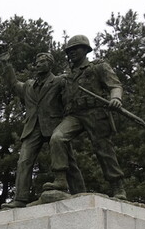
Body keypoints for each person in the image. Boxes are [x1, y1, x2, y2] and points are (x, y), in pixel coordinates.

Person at [0, 49, 84, 208]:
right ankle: (20, 199)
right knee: (24, 161)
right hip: (32, 128)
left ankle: (80, 192)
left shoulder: (59, 81)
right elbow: (13, 84)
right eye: (36, 63)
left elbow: (71, 95)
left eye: (42, 62)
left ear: (50, 64)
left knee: (69, 162)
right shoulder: (29, 85)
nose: (38, 65)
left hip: (54, 125)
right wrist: (6, 63)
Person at [49, 34, 127, 199]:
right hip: (74, 115)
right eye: (69, 50)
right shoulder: (66, 77)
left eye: (75, 49)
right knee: (57, 137)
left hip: (95, 113)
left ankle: (118, 188)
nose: (71, 53)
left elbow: (115, 85)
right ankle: (60, 179)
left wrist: (116, 98)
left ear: (85, 49)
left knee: (104, 150)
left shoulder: (98, 67)